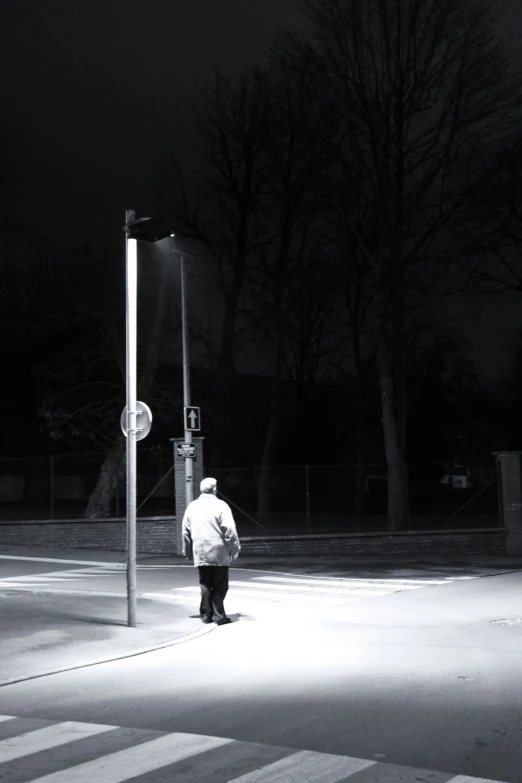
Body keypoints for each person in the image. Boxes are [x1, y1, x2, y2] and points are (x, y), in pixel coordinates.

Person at [182, 477, 241, 625]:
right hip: (218, 552)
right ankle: (219, 616)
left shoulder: (192, 507)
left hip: (200, 551)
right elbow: (229, 529)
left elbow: (185, 531)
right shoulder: (221, 506)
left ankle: (206, 615)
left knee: (205, 583)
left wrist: (188, 551)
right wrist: (234, 547)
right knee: (221, 584)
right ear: (215, 489)